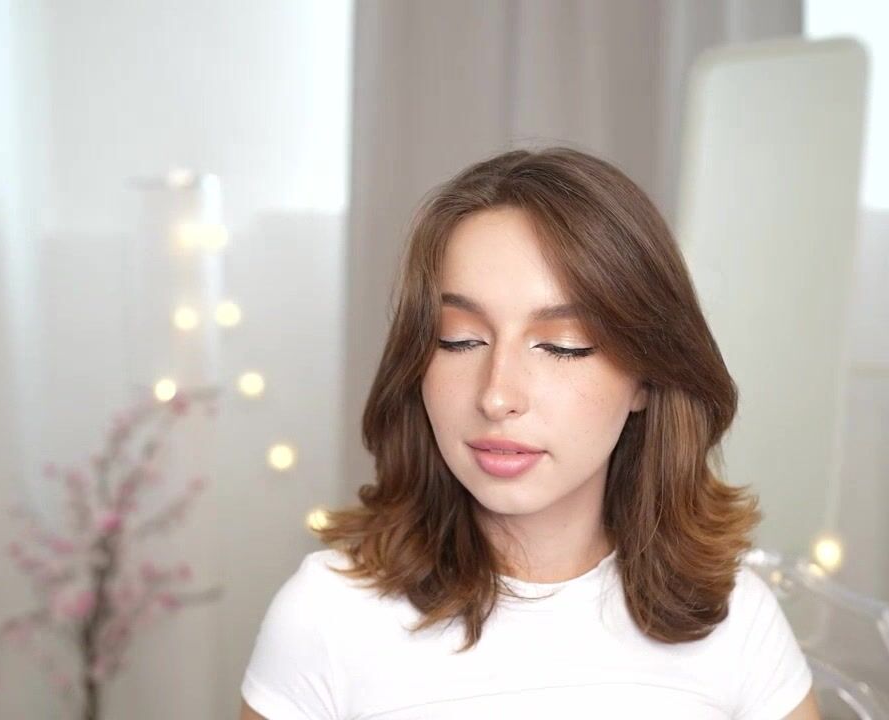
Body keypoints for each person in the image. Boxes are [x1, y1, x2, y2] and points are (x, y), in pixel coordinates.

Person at [238, 147, 820, 719]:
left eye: (562, 346)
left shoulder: (735, 617)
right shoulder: (327, 616)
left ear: (647, 376)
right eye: (460, 339)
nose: (496, 396)